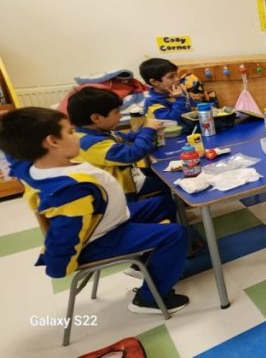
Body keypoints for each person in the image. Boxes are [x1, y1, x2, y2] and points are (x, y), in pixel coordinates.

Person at [0, 108, 189, 314]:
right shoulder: (69, 191)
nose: (77, 137)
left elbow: (14, 158)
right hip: (102, 237)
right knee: (175, 234)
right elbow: (64, 235)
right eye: (70, 132)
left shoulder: (30, 166)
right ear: (53, 141)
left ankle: (151, 263)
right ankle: (149, 299)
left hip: (109, 218)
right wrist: (58, 266)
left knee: (164, 203)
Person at [68, 87, 169, 200]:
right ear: (96, 118)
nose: (120, 115)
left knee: (160, 173)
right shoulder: (90, 143)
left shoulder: (96, 132)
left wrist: (147, 129)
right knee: (168, 185)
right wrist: (148, 130)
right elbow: (132, 154)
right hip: (120, 190)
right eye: (116, 112)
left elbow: (127, 137)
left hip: (127, 175)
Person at [139, 58, 189, 122]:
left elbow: (192, 106)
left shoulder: (179, 91)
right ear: (154, 82)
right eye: (171, 77)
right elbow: (171, 121)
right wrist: (179, 99)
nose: (177, 79)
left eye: (176, 74)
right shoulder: (152, 101)